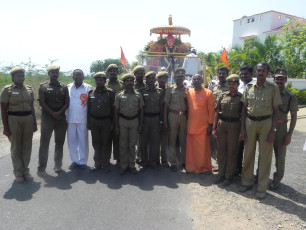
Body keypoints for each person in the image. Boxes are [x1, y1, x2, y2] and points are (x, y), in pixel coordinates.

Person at [239, 62, 282, 199]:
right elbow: (244, 109)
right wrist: (242, 129)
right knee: (248, 154)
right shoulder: (249, 87)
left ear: (267, 73)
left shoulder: (273, 88)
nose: (261, 72)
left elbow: (276, 111)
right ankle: (247, 182)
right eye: (258, 70)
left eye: (263, 70)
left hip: (266, 123)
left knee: (265, 157)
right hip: (250, 123)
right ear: (255, 72)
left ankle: (262, 187)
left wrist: (273, 130)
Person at [0, 67, 37, 183]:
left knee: (27, 146)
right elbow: (3, 109)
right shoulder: (7, 90)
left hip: (28, 119)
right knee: (16, 147)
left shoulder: (29, 89)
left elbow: (31, 107)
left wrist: (35, 123)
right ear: (13, 77)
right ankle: (18, 172)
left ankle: (26, 171)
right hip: (13, 119)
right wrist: (5, 127)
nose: (21, 78)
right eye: (18, 76)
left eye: (22, 75)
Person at [37, 65, 69, 175]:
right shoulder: (43, 86)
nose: (55, 74)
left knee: (59, 142)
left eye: (56, 72)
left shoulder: (64, 87)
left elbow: (67, 102)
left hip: (60, 118)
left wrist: (59, 113)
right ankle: (41, 167)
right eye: (53, 72)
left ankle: (58, 165)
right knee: (44, 143)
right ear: (49, 74)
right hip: (47, 117)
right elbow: (42, 102)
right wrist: (52, 113)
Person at [270, 69, 298, 190]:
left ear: (285, 80)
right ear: (274, 80)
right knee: (264, 153)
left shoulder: (291, 96)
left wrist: (289, 134)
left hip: (281, 128)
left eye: (282, 79)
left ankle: (277, 179)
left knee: (280, 155)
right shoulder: (269, 93)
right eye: (277, 79)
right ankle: (261, 175)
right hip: (267, 126)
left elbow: (293, 116)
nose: (279, 81)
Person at [212, 74, 242, 186]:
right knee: (221, 151)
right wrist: (214, 128)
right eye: (229, 84)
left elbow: (243, 115)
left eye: (234, 84)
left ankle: (229, 176)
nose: (231, 86)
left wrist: (242, 130)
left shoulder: (241, 97)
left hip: (234, 126)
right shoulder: (223, 95)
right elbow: (217, 112)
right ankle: (221, 174)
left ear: (238, 85)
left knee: (232, 152)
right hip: (222, 125)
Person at [114, 73, 144, 175]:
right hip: (122, 121)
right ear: (124, 83)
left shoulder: (138, 95)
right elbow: (116, 111)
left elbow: (141, 110)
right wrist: (117, 126)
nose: (130, 83)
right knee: (123, 145)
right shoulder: (119, 95)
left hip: (134, 121)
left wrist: (140, 124)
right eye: (127, 81)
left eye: (131, 81)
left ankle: (131, 165)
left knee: (132, 145)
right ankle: (123, 165)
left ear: (134, 82)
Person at [186, 74, 214, 174]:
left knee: (203, 150)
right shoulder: (188, 92)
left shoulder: (208, 93)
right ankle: (191, 167)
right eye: (194, 79)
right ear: (192, 81)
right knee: (191, 149)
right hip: (191, 126)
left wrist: (210, 125)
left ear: (202, 80)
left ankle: (204, 168)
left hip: (204, 126)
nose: (196, 80)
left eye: (198, 79)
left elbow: (211, 110)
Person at [88, 72, 115, 173]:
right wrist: (88, 122)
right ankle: (97, 164)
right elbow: (88, 108)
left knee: (106, 143)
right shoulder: (90, 92)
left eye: (101, 80)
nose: (99, 82)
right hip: (94, 121)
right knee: (96, 143)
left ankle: (106, 164)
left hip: (106, 121)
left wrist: (113, 123)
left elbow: (113, 110)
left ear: (105, 81)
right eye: (97, 80)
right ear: (95, 81)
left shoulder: (110, 93)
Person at [67, 69, 92, 169]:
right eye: (76, 75)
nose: (78, 77)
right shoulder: (67, 87)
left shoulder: (88, 88)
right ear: (73, 77)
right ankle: (74, 160)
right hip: (70, 118)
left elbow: (90, 104)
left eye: (80, 75)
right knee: (71, 141)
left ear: (83, 76)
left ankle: (82, 161)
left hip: (83, 118)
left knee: (83, 141)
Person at [164, 68, 188, 172]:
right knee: (172, 140)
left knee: (184, 140)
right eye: (177, 77)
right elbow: (166, 106)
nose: (179, 79)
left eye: (181, 77)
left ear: (184, 78)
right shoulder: (170, 90)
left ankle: (184, 162)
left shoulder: (187, 90)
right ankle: (173, 162)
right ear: (175, 78)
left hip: (183, 117)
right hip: (172, 116)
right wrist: (165, 121)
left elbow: (189, 105)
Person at [138, 71, 163, 170]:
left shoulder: (160, 91)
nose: (151, 80)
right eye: (149, 78)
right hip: (145, 118)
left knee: (155, 141)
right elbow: (140, 108)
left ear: (155, 79)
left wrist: (161, 121)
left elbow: (161, 107)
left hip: (156, 119)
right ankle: (143, 161)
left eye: (153, 78)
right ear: (146, 79)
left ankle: (153, 162)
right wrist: (140, 122)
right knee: (143, 141)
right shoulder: (141, 91)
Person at [237, 65, 255, 175]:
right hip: (238, 120)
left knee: (249, 148)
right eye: (242, 74)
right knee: (239, 146)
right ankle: (238, 168)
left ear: (252, 74)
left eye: (246, 74)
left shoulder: (254, 85)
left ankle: (248, 171)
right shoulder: (239, 86)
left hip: (250, 120)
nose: (243, 75)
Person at [211, 67, 229, 170]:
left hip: (227, 118)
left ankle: (228, 164)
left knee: (227, 143)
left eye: (223, 73)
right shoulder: (214, 87)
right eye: (220, 73)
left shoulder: (230, 86)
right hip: (216, 118)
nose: (221, 75)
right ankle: (219, 163)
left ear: (227, 74)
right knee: (217, 141)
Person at [105, 64, 123, 167]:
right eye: (111, 71)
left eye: (115, 71)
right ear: (108, 72)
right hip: (107, 114)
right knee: (107, 139)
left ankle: (118, 159)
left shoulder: (121, 85)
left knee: (117, 139)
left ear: (117, 72)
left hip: (119, 115)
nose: (113, 72)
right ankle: (106, 159)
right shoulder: (104, 83)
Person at [157, 71, 170, 167]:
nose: (162, 80)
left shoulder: (169, 90)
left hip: (166, 118)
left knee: (164, 141)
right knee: (155, 140)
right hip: (155, 118)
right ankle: (156, 159)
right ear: (157, 79)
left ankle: (164, 159)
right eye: (160, 78)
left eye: (165, 78)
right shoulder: (153, 90)